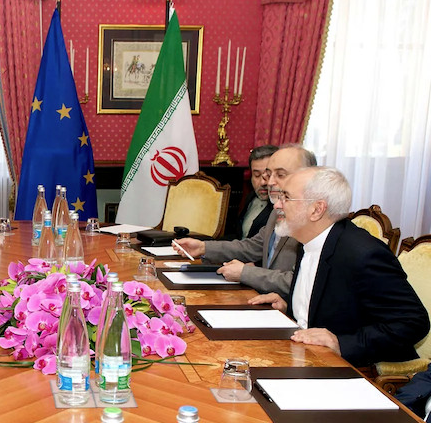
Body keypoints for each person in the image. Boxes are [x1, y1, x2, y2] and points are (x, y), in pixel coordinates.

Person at [252, 167, 427, 367]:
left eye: (286, 197)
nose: (277, 205)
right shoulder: (308, 239)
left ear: (317, 209)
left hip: (355, 369)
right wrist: (291, 306)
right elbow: (332, 307)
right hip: (305, 356)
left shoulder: (363, 254)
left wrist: (342, 343)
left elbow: (413, 322)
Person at [173, 144, 315, 297]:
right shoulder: (277, 210)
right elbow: (251, 247)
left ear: (307, 177)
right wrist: (203, 247)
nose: (269, 182)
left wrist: (245, 273)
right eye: (269, 175)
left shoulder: (313, 219)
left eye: (280, 175)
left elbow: (302, 283)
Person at [237, 145, 278, 239]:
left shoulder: (282, 207)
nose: (263, 182)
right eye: (256, 175)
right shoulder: (250, 197)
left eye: (268, 175)